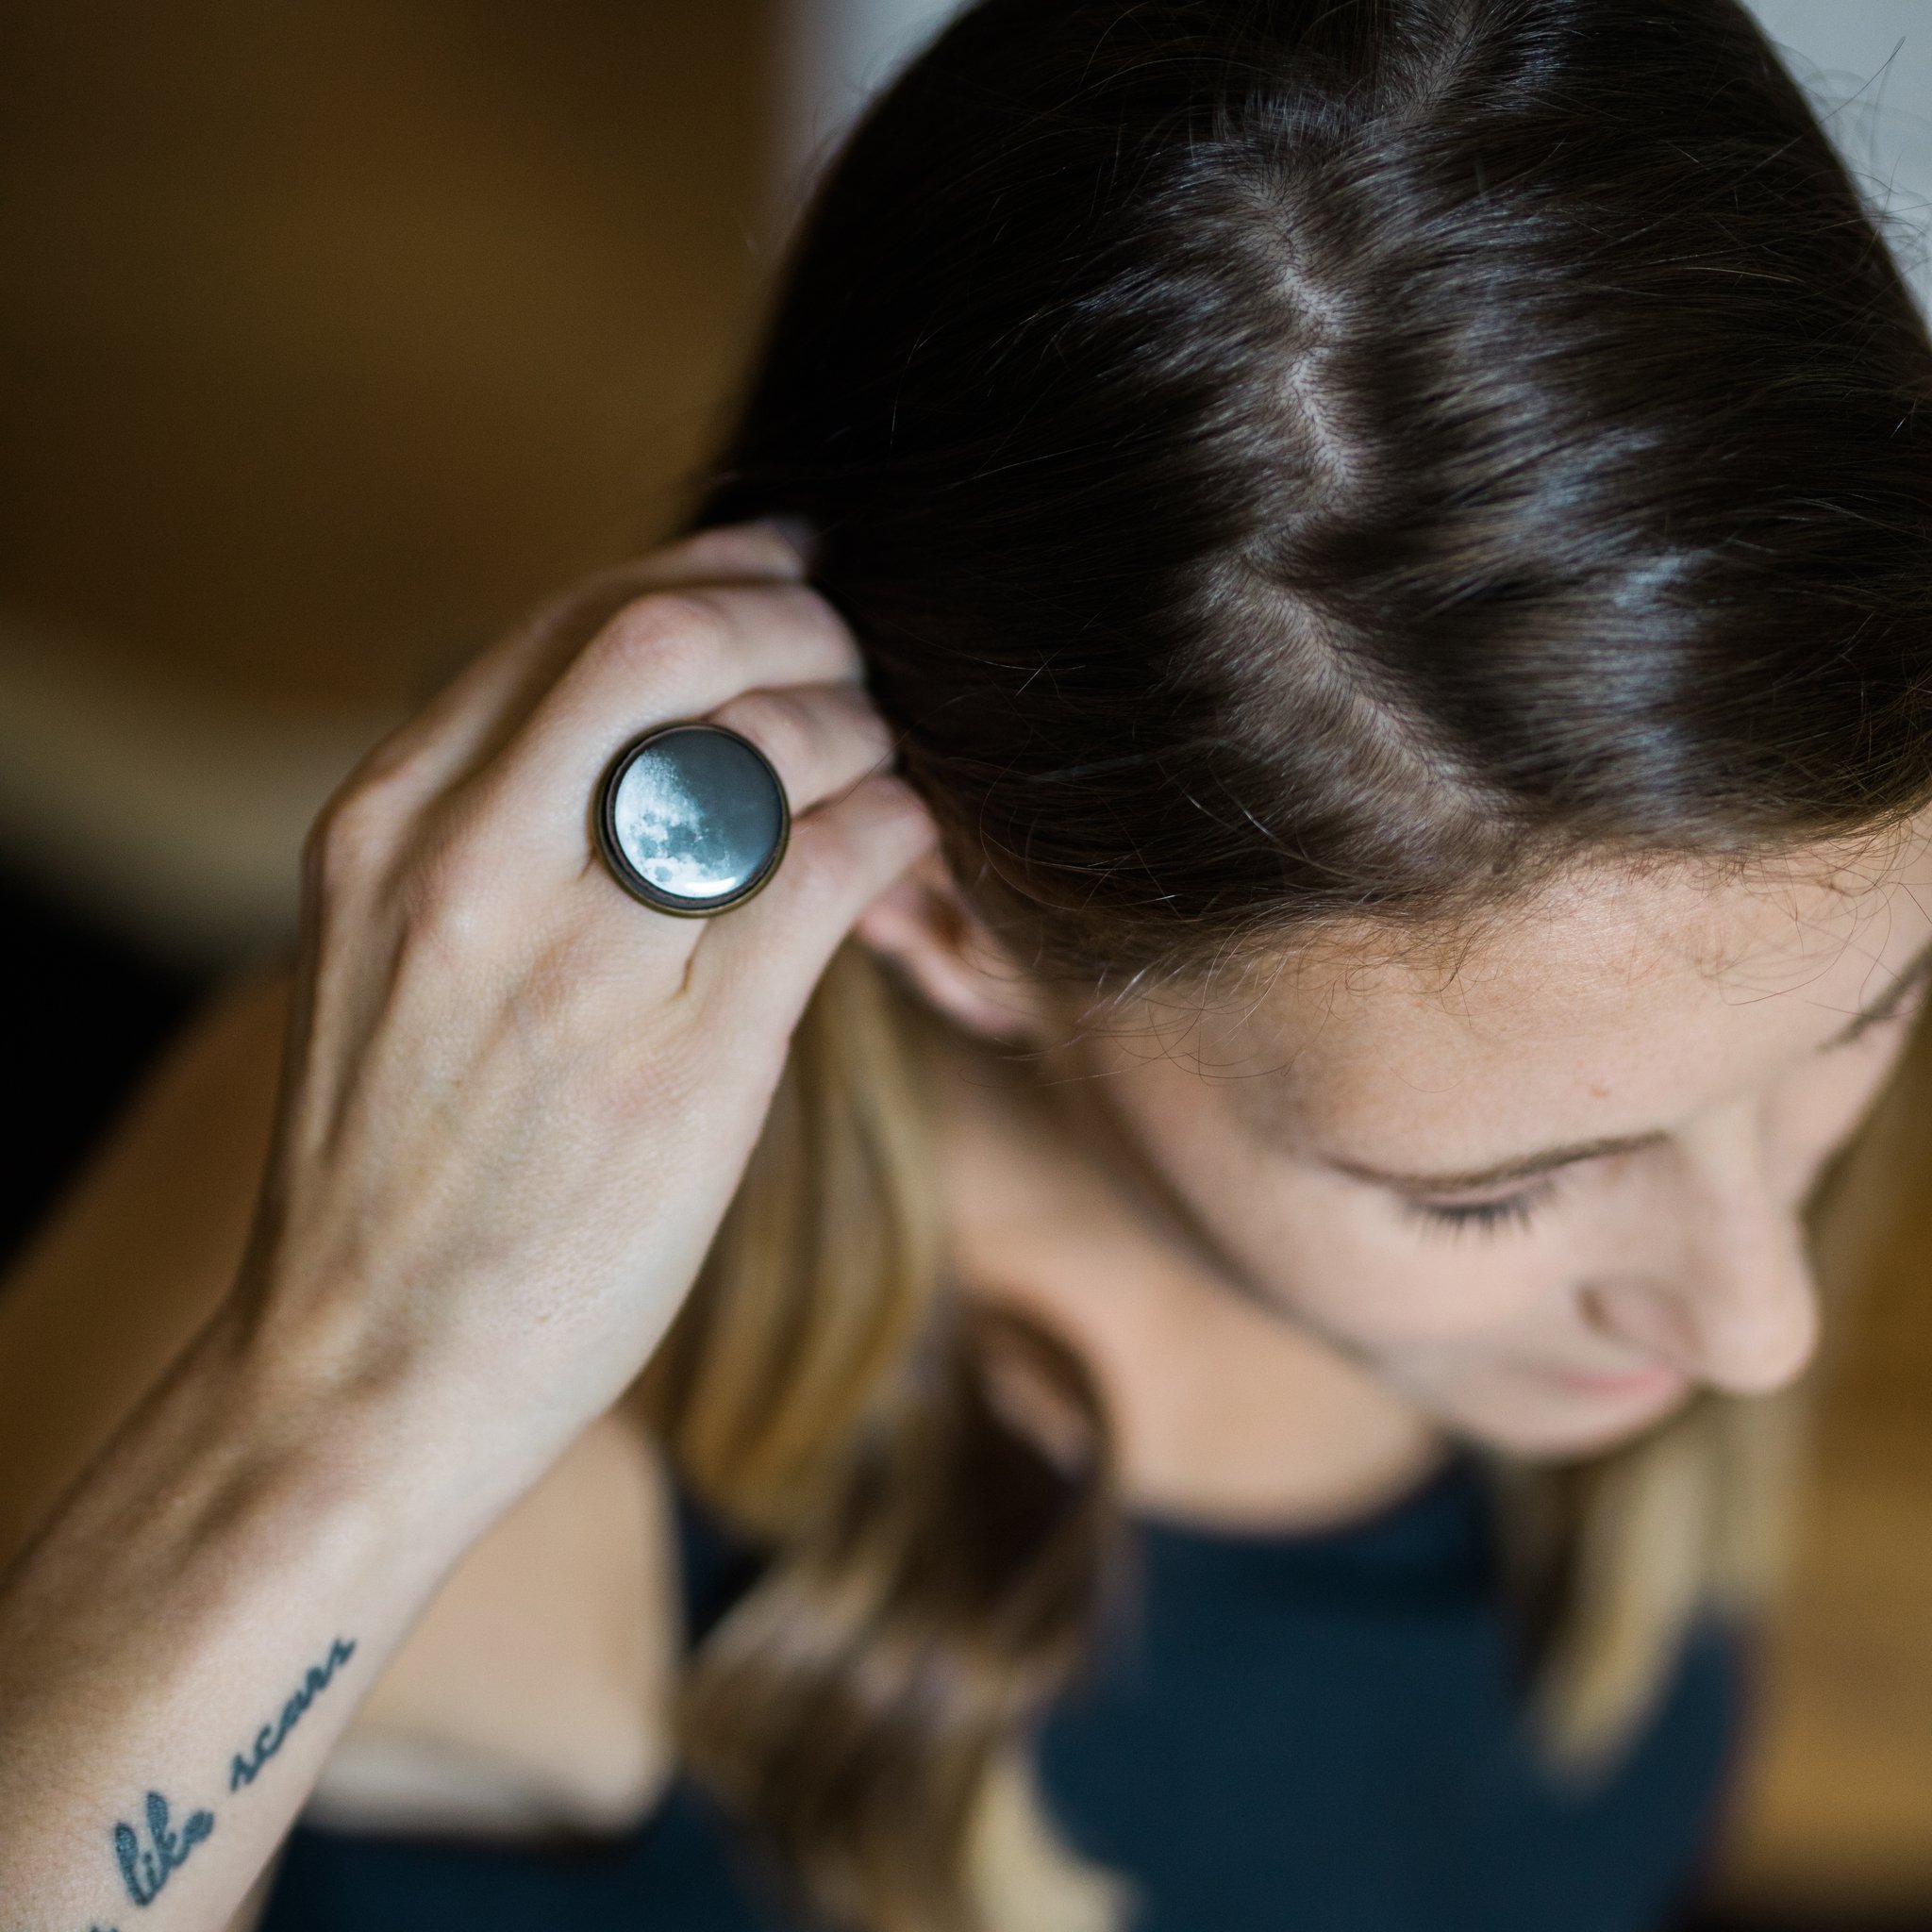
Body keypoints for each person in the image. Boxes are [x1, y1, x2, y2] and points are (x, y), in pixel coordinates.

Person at [6, 1, 1932, 1927]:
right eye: (1488, 1194)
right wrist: (334, 1435)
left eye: (1877, 1011)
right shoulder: (463, 1447)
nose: (1755, 1319)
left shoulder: (1679, 1059)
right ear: (948, 916)